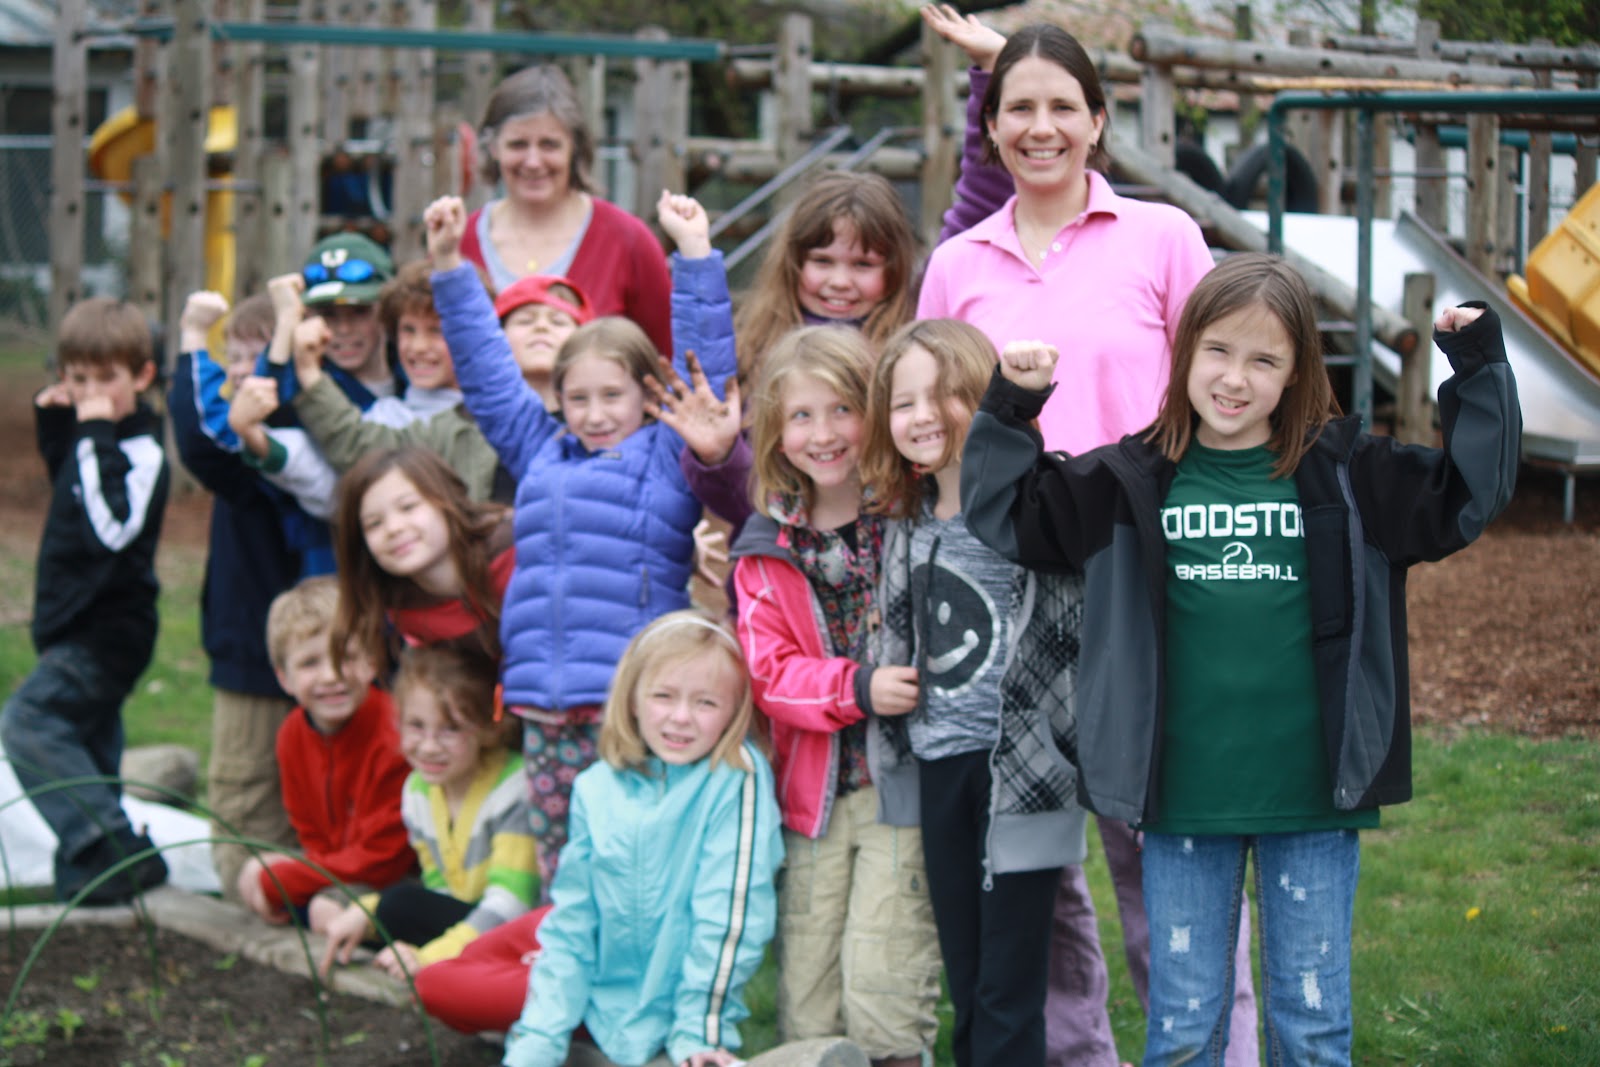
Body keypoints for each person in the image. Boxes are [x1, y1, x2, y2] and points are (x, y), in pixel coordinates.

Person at [962, 253, 1521, 1064]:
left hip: (1313, 801)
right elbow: (1004, 511)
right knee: (1185, 1031)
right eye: (1218, 351)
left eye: (1265, 360)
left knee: (1313, 1026)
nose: (1235, 378)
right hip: (1185, 804)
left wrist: (1476, 368)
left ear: (1296, 374)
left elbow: (1472, 493)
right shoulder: (1129, 482)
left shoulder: (1349, 477)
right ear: (1184, 350)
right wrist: (1012, 405)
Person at [917, 14, 1254, 1062]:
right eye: (1018, 106)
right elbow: (934, 422)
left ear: (1098, 122)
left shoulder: (1161, 238)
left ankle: (1213, 1050)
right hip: (1005, 584)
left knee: (1164, 851)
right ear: (992, 125)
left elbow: (1225, 390)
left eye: (1063, 105)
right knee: (1037, 871)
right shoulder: (956, 262)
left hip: (1139, 576)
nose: (1041, 125)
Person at [424, 191, 736, 892]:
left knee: (635, 864)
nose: (594, 414)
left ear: (649, 396)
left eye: (612, 396)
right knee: (562, 868)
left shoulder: (666, 453)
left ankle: (640, 991)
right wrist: (450, 264)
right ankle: (572, 990)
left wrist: (693, 254)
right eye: (578, 397)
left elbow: (706, 370)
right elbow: (487, 372)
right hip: (544, 698)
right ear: (559, 399)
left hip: (629, 702)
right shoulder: (541, 449)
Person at [413, 611, 782, 1066]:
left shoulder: (734, 776)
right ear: (632, 699)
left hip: (644, 989)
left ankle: (555, 1005)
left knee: (482, 983)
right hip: (583, 935)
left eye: (706, 703)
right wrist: (538, 1046)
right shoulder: (597, 785)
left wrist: (698, 1034)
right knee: (437, 981)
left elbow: (726, 918)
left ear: (734, 710)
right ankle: (545, 1006)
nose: (681, 717)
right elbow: (573, 922)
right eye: (663, 696)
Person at [862, 318, 1084, 1064]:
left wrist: (1019, 393)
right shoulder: (908, 523)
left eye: (945, 396)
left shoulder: (1030, 513)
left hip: (1017, 772)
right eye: (903, 403)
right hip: (940, 764)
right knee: (967, 976)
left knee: (1007, 990)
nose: (922, 416)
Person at [729, 327, 940, 1066]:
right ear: (776, 435)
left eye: (842, 408)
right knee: (810, 993)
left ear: (874, 412)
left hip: (901, 789)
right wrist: (856, 686)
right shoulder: (764, 549)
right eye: (801, 416)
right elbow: (770, 672)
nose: (824, 433)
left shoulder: (913, 518)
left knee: (887, 975)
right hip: (812, 798)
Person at [1, 296, 170, 905]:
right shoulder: (94, 441)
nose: (93, 394)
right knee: (89, 744)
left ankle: (114, 843)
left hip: (107, 634)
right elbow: (70, 482)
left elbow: (111, 528)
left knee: (29, 722)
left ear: (142, 377)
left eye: (107, 380)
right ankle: (95, 874)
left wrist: (93, 428)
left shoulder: (142, 452)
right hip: (71, 624)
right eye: (79, 380)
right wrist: (60, 422)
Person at [669, 170, 920, 538]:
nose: (839, 281)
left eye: (862, 265)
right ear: (795, 263)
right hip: (774, 572)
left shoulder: (907, 362)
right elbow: (705, 352)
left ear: (895, 272)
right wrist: (722, 456)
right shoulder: (759, 351)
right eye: (822, 261)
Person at [169, 289, 302, 901]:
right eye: (234, 357)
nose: (245, 371)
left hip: (264, 655)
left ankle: (280, 912)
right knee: (251, 814)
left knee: (252, 801)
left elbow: (200, 440)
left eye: (260, 356)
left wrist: (193, 337)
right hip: (249, 649)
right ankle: (270, 908)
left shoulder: (272, 450)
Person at [319, 644, 535, 981]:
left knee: (402, 903)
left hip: (515, 930)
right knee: (393, 907)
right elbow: (439, 889)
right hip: (469, 923)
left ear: (488, 727)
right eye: (416, 726)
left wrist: (432, 957)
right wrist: (367, 912)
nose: (430, 746)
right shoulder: (418, 791)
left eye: (451, 728)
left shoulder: (515, 790)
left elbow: (512, 904)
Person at [237, 577, 414, 933]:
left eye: (345, 657)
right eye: (309, 663)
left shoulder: (394, 733)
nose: (331, 675)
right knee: (253, 872)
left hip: (398, 876)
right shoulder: (292, 734)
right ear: (284, 678)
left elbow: (383, 859)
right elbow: (310, 833)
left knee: (320, 909)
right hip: (341, 866)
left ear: (371, 662)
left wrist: (282, 880)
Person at [460, 64, 672, 355]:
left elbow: (663, 357)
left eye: (550, 145)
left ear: (575, 147)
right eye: (518, 144)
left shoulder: (628, 241)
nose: (533, 161)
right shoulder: (460, 243)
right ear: (493, 148)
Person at [329, 447, 514, 678]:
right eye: (374, 524)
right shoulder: (403, 609)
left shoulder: (516, 551)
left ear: (447, 499)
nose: (393, 528)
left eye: (408, 507)